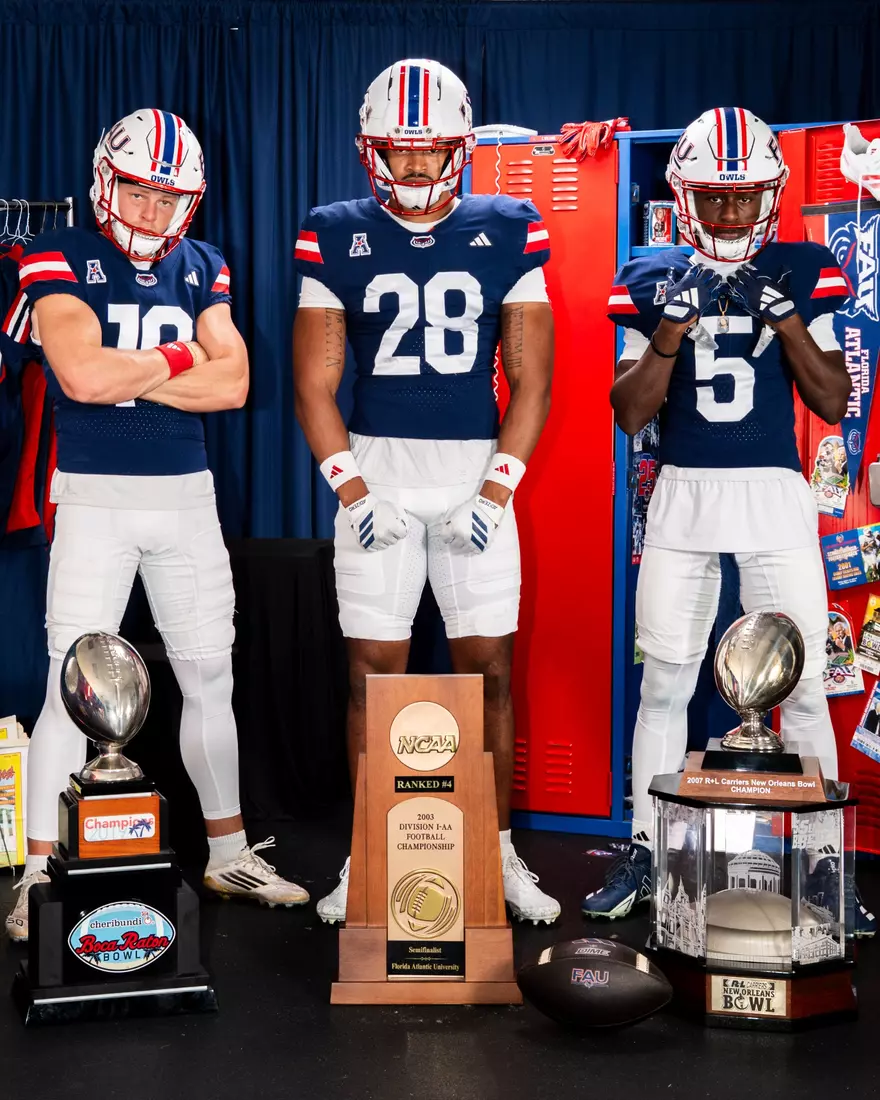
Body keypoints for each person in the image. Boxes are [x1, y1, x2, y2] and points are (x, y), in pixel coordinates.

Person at [5, 109, 308, 942]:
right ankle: (38, 871)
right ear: (108, 180)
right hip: (95, 495)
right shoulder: (55, 252)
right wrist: (179, 361)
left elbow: (236, 384)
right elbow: (79, 373)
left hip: (187, 495)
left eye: (166, 196)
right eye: (137, 189)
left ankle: (228, 850)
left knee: (212, 673)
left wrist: (128, 374)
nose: (148, 210)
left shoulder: (204, 263)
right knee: (72, 689)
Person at [585, 106, 876, 936]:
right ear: (684, 196)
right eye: (713, 198)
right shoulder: (648, 275)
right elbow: (627, 411)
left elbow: (829, 397)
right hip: (682, 489)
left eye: (743, 199)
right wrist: (670, 327)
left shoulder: (805, 264)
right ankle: (647, 848)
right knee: (666, 679)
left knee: (809, 684)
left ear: (769, 198)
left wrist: (785, 317)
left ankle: (827, 867)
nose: (728, 216)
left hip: (775, 491)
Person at [293, 59, 559, 925]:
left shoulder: (510, 224)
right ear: (371, 151)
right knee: (375, 673)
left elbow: (532, 380)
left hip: (475, 470)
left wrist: (496, 491)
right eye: (397, 154)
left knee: (489, 672)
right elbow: (313, 382)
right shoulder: (332, 229)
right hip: (379, 470)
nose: (413, 171)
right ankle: (372, 849)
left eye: (429, 153)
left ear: (461, 148)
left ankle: (497, 847)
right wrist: (351, 488)